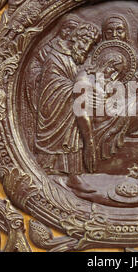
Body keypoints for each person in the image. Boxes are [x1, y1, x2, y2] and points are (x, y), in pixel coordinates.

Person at [35, 22, 100, 175]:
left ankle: (74, 178)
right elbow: (52, 89)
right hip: (56, 114)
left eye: (89, 45)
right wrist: (81, 82)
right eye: (84, 42)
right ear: (75, 39)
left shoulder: (73, 59)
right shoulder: (56, 58)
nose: (86, 48)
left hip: (70, 116)